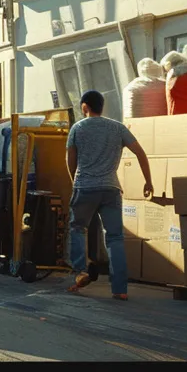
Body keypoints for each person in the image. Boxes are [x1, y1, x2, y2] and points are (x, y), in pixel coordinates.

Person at [63, 90, 154, 300]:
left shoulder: (77, 128)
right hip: (111, 189)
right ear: (102, 106)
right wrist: (148, 181)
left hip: (85, 187)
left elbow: (70, 158)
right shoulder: (117, 128)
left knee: (78, 228)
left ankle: (80, 271)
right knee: (115, 238)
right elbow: (140, 153)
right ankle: (120, 289)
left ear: (85, 106)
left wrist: (74, 181)